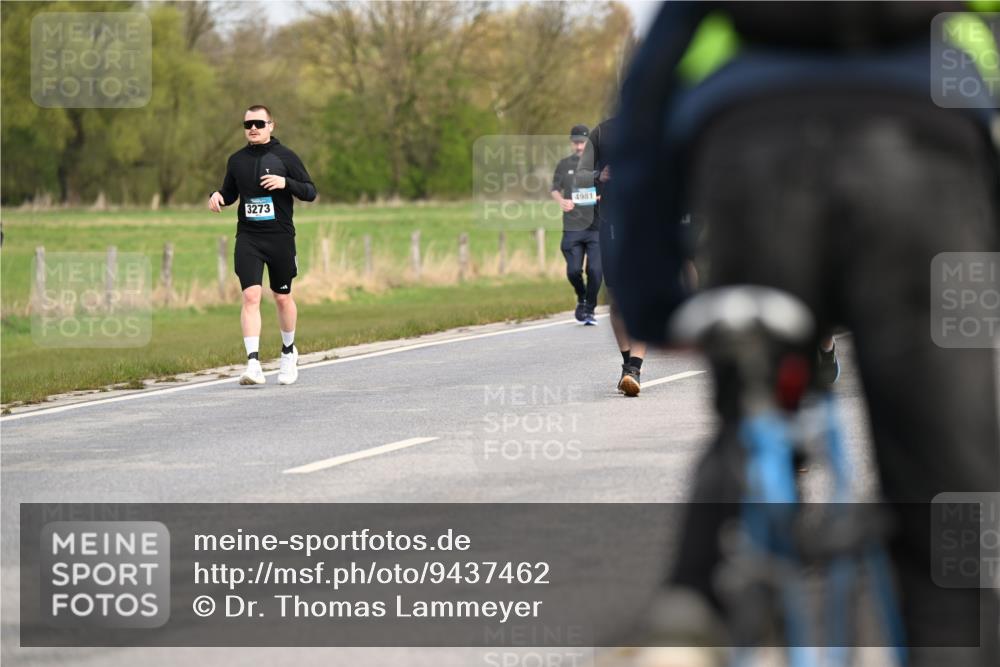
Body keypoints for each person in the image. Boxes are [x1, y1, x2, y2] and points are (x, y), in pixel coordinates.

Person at [611, 2, 999, 665]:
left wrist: (649, 300)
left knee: (752, 409)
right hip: (923, 153)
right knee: (946, 486)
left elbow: (643, 107)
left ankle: (692, 606)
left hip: (753, 147)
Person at [208, 104, 317, 386]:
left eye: (258, 123)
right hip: (249, 238)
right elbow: (230, 193)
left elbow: (310, 191)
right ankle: (253, 364)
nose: (253, 129)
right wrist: (217, 196)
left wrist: (285, 182)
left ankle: (288, 351)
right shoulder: (236, 160)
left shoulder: (285, 157)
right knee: (251, 297)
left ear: (271, 125)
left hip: (280, 237)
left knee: (281, 297)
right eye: (248, 125)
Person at [584, 118, 646, 397]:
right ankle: (627, 365)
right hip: (611, 224)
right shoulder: (602, 132)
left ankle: (635, 366)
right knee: (617, 298)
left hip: (649, 224)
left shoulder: (659, 123)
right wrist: (599, 176)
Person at [551, 124, 602, 326]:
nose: (579, 146)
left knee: (596, 271)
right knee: (573, 270)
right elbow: (554, 188)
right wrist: (561, 201)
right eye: (576, 142)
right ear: (571, 142)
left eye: (582, 142)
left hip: (596, 226)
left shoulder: (599, 163)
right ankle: (581, 297)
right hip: (572, 227)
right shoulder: (564, 164)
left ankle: (589, 309)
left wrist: (602, 196)